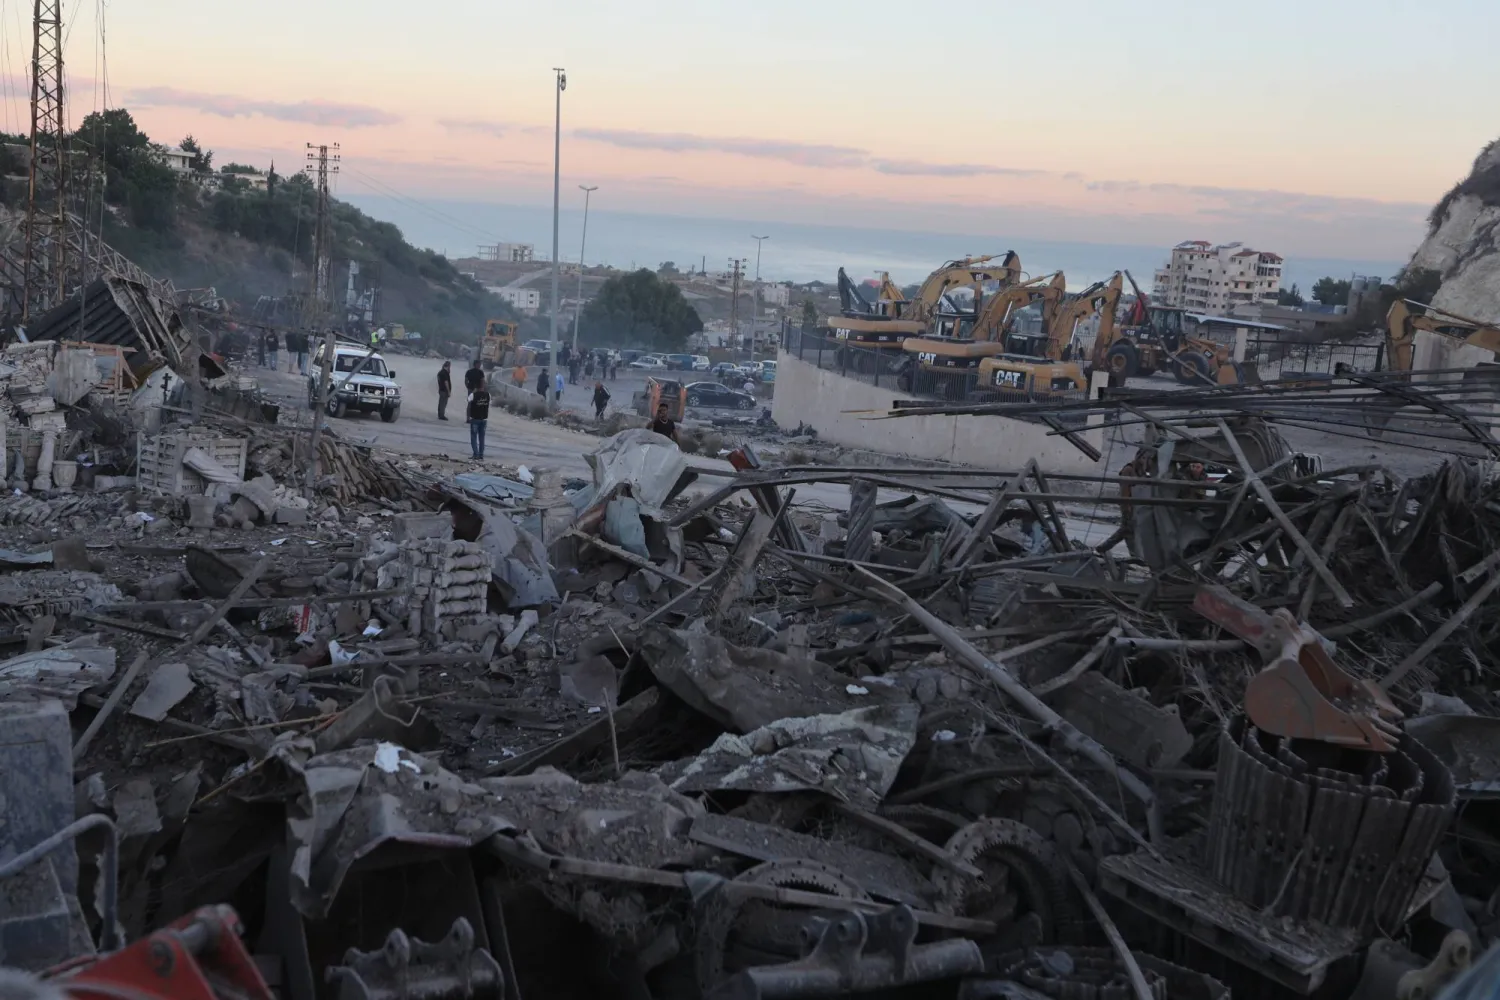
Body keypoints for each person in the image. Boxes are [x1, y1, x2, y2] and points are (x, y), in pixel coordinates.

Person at [467, 380, 491, 460]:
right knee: (482, 438)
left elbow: (469, 403)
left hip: (475, 419)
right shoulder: (488, 395)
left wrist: (468, 417)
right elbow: (489, 403)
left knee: (473, 437)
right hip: (484, 419)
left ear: (476, 387)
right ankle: (481, 455)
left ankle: (476, 454)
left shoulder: (473, 395)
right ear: (483, 386)